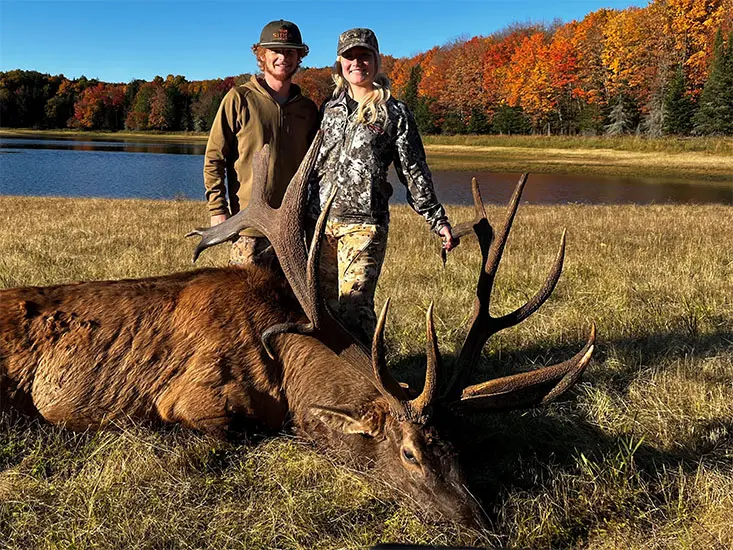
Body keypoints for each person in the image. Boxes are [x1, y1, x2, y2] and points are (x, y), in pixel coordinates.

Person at [308, 27, 458, 345]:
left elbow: (413, 172)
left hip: (363, 227)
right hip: (319, 225)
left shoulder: (395, 113)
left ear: (376, 61)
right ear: (340, 63)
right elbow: (310, 168)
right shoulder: (327, 110)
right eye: (350, 57)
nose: (357, 63)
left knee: (354, 311)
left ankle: (373, 388)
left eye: (364, 56)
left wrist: (438, 220)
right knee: (320, 311)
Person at [203, 19, 319, 266]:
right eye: (275, 51)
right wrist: (217, 209)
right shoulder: (239, 99)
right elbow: (214, 158)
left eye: (290, 52)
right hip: (249, 228)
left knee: (289, 303)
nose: (283, 58)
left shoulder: (307, 109)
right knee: (245, 302)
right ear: (262, 55)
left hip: (292, 229)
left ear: (299, 57)